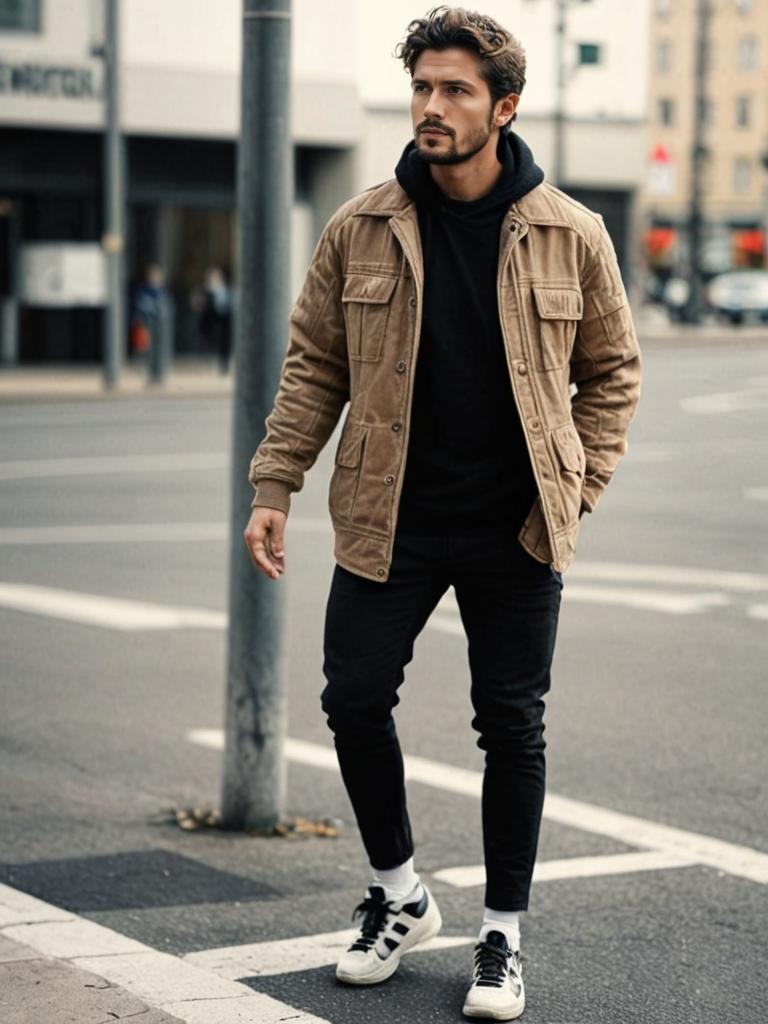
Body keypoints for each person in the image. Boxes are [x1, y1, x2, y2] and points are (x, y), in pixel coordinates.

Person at [244, 7, 641, 1020]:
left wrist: (575, 486)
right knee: (352, 694)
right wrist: (274, 484)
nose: (433, 106)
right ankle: (398, 891)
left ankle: (501, 935)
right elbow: (314, 366)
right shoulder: (361, 224)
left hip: (516, 526)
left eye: (456, 89)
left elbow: (613, 373)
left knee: (512, 725)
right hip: (392, 515)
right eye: (423, 87)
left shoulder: (573, 232)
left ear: (502, 108)